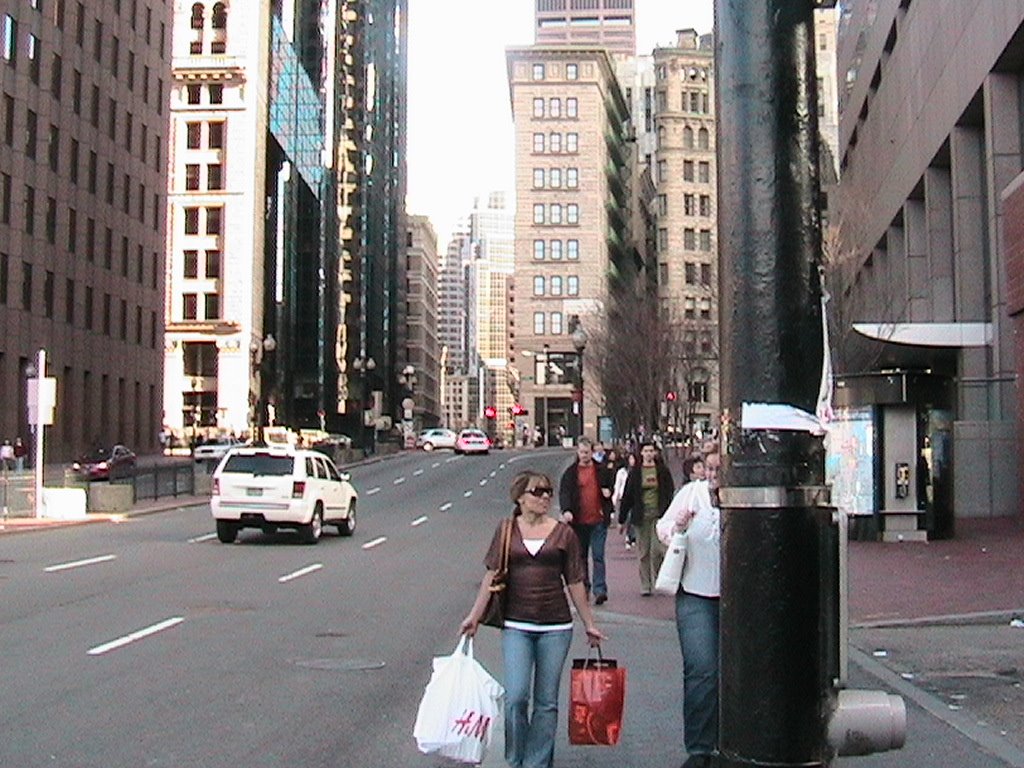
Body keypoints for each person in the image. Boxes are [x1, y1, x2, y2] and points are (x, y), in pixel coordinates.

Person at [461, 471, 604, 768]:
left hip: (556, 626)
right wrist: (474, 616)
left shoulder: (564, 533)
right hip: (517, 625)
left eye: (548, 492)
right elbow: (492, 575)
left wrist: (589, 622)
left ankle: (537, 762)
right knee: (516, 697)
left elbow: (575, 581)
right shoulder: (506, 530)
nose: (544, 497)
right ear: (520, 498)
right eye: (537, 492)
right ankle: (516, 758)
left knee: (546, 702)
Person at [656, 449, 721, 768]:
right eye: (708, 469)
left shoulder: (740, 499)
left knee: (735, 670)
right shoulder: (690, 494)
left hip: (736, 598)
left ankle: (728, 739)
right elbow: (663, 528)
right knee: (701, 669)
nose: (712, 476)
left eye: (719, 470)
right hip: (695, 594)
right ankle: (699, 747)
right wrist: (676, 528)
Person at [558, 438, 614, 604]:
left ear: (592, 452)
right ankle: (585, 586)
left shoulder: (601, 470)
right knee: (581, 556)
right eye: (581, 452)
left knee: (598, 556)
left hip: (598, 519)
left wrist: (608, 493)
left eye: (587, 452)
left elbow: (610, 486)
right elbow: (565, 493)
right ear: (577, 452)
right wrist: (567, 510)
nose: (584, 455)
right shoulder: (570, 473)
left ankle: (600, 590)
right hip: (579, 521)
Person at [617, 441, 675, 595]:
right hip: (641, 516)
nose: (649, 454)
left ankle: (658, 580)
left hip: (658, 516)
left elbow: (669, 491)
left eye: (651, 451)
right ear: (641, 453)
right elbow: (627, 496)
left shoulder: (662, 471)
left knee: (657, 550)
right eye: (646, 451)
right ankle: (645, 585)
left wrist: (668, 512)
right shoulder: (635, 472)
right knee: (643, 552)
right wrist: (621, 520)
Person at [613, 452, 636, 549]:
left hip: (635, 498)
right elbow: (617, 486)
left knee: (633, 518)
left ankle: (633, 537)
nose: (632, 461)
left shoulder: (638, 472)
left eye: (633, 459)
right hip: (624, 497)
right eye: (630, 459)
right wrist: (615, 498)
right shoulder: (621, 472)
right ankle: (629, 536)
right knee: (628, 517)